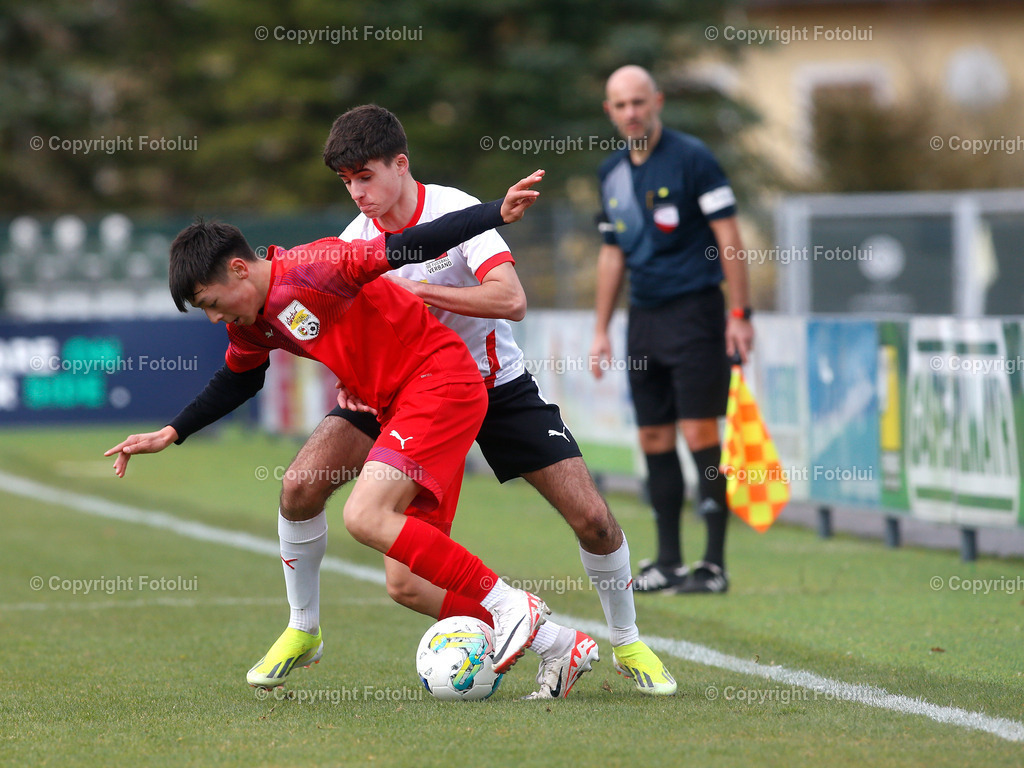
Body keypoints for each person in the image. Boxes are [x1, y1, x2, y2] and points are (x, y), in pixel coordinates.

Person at [264, 104, 675, 699]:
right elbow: (337, 328)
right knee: (311, 496)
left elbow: (511, 300)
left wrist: (423, 292)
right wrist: (348, 375)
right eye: (346, 181)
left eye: (366, 176)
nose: (357, 193)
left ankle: (629, 641)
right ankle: (305, 628)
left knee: (592, 517)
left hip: (493, 386)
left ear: (400, 164)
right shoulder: (354, 241)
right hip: (405, 397)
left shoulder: (454, 211)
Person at [104, 172, 553, 686]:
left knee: (364, 516)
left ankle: (510, 605)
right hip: (387, 401)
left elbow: (412, 243)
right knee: (319, 507)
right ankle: (306, 629)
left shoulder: (318, 266)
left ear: (238, 269)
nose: (212, 318)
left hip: (438, 382)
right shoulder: (251, 321)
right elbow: (240, 378)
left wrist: (496, 212)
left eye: (210, 302)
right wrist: (172, 431)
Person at [589, 65, 754, 595]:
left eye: (639, 101)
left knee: (699, 433)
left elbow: (729, 237)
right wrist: (601, 329)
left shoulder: (692, 158)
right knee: (653, 436)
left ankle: (713, 565)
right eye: (621, 105)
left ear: (657, 101)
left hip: (696, 313)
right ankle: (668, 562)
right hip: (644, 319)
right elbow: (612, 254)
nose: (631, 112)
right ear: (610, 111)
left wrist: (740, 314)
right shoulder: (611, 173)